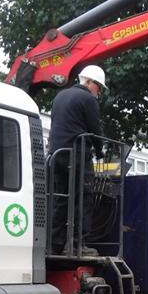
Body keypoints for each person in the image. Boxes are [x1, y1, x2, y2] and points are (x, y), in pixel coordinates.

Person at [48, 65, 107, 256]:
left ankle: (55, 244)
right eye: (99, 87)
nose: (99, 92)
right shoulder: (88, 99)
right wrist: (100, 151)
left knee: (61, 199)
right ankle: (77, 245)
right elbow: (94, 129)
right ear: (90, 82)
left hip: (57, 154)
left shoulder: (60, 96)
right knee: (84, 198)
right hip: (77, 155)